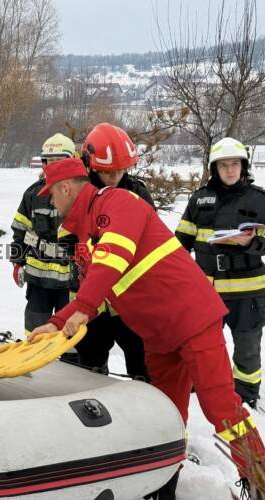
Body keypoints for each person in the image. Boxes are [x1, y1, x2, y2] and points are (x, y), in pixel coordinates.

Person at [29, 157, 265, 498]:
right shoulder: (86, 235)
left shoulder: (117, 202)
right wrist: (55, 323)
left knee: (220, 406)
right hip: (158, 336)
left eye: (51, 195)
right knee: (166, 414)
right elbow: (95, 291)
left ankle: (261, 482)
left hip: (191, 319)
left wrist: (81, 309)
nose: (51, 203)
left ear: (65, 188)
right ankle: (164, 483)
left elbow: (113, 258)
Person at [175, 137, 265, 408]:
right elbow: (180, 242)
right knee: (201, 346)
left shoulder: (260, 200)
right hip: (206, 292)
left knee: (247, 348)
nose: (230, 170)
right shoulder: (199, 199)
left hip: (247, 292)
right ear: (214, 168)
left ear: (243, 166)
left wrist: (252, 243)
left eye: (235, 164)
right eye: (223, 165)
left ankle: (246, 396)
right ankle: (200, 388)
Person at [74, 123, 154, 380]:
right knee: (89, 367)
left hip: (130, 299)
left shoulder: (138, 193)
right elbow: (67, 236)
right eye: (108, 171)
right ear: (90, 165)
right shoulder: (79, 194)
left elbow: (151, 239)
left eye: (121, 170)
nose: (115, 177)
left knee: (142, 364)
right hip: (91, 301)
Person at [10, 133, 74, 335]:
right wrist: (17, 262)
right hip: (39, 279)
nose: (53, 166)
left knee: (69, 333)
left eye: (59, 161)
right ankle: (35, 356)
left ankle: (69, 357)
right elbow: (20, 230)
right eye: (48, 161)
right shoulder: (33, 194)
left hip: (71, 280)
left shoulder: (81, 192)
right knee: (35, 330)